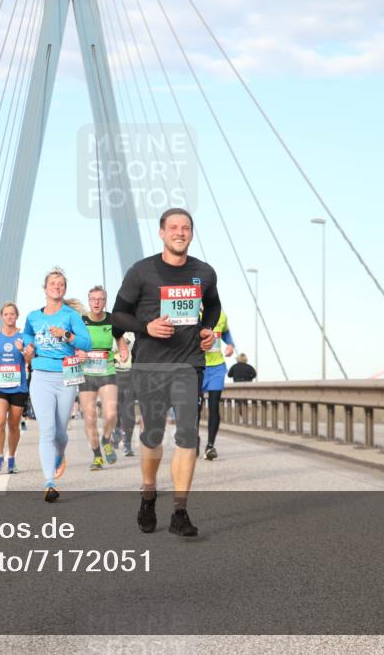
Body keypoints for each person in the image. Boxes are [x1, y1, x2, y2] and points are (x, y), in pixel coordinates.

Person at [112, 208, 220, 537]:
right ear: (161, 233)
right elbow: (118, 315)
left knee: (188, 434)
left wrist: (208, 328)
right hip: (150, 364)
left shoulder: (204, 272)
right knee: (153, 435)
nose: (180, 232)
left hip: (188, 364)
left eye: (186, 227)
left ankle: (180, 512)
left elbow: (213, 304)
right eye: (173, 227)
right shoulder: (141, 271)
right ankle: (148, 495)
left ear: (192, 233)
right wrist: (146, 326)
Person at [22, 269, 92, 502]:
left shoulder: (71, 316)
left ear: (64, 288)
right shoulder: (33, 316)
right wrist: (29, 348)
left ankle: (60, 455)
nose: (57, 286)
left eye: (61, 284)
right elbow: (27, 336)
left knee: (61, 433)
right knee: (47, 430)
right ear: (45, 288)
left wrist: (68, 335)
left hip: (66, 375)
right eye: (53, 283)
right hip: (41, 375)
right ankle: (49, 482)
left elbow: (86, 343)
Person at [78, 286, 129, 470]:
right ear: (89, 301)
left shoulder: (112, 319)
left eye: (100, 299)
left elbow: (119, 338)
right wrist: (78, 351)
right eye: (93, 299)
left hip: (107, 370)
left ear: (105, 301)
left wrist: (123, 349)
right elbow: (72, 342)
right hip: (87, 373)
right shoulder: (81, 321)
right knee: (90, 418)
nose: (96, 302)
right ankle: (97, 456)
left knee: (111, 413)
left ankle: (106, 439)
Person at [0, 302, 30, 474]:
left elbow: (30, 359)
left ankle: (11, 457)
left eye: (12, 314)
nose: (9, 317)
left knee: (14, 425)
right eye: (6, 314)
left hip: (18, 387)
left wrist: (23, 349)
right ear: (2, 316)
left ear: (16, 316)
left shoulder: (24, 336)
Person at [200, 310, 235, 460]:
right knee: (196, 408)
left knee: (214, 406)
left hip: (217, 367)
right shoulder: (193, 315)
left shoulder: (221, 315)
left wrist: (231, 344)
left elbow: (226, 332)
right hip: (198, 367)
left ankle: (210, 446)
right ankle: (193, 439)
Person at [114, 331, 136, 456]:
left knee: (128, 409)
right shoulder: (112, 330)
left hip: (129, 373)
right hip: (114, 373)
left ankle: (127, 443)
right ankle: (117, 437)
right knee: (116, 409)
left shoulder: (133, 332)